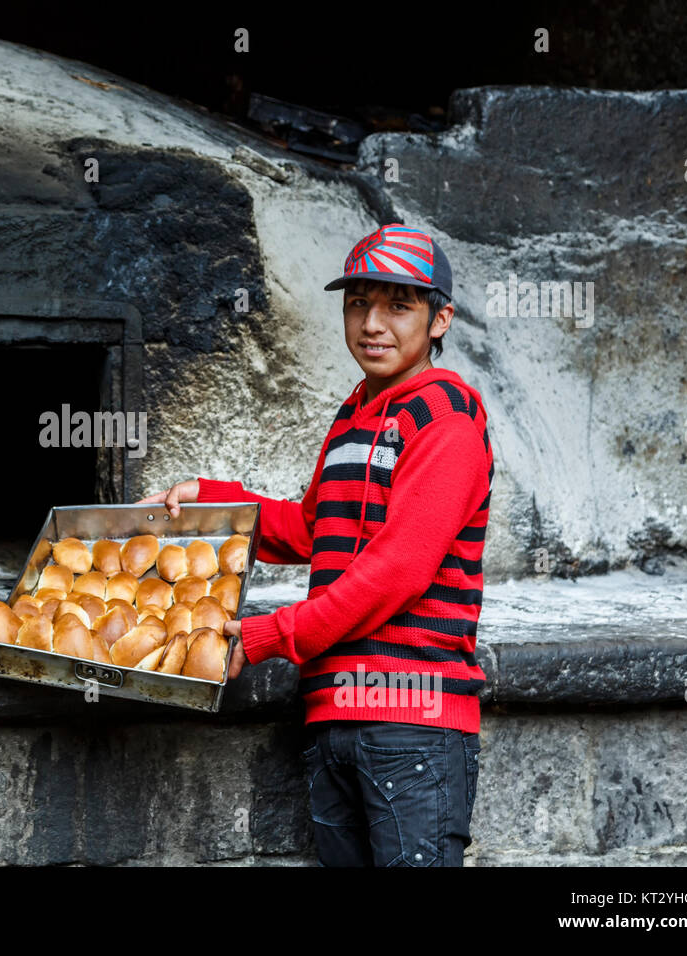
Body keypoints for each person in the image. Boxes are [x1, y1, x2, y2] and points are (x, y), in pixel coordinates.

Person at [139, 223, 494, 866]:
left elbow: (397, 571)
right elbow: (314, 528)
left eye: (398, 304)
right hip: (335, 716)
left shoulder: (446, 417)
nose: (372, 323)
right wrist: (211, 501)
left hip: (409, 721)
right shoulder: (357, 410)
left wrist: (265, 636)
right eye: (358, 302)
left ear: (440, 319)